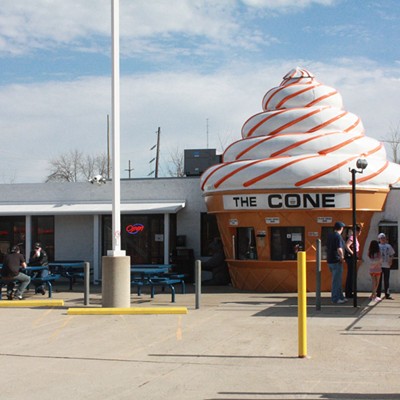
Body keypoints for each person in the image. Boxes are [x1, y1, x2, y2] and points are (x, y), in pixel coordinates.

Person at [326, 221, 347, 304]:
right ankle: (335, 299)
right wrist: (342, 257)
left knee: (337, 280)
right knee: (336, 281)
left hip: (330, 260)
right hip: (336, 260)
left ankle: (341, 297)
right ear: (341, 228)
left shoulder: (330, 235)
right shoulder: (338, 236)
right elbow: (339, 248)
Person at [344, 225, 362, 299]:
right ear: (358, 231)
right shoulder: (352, 238)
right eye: (359, 231)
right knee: (350, 275)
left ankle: (350, 291)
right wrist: (353, 253)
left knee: (352, 275)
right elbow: (347, 246)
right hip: (351, 258)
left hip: (352, 258)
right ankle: (349, 292)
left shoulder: (355, 238)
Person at [376, 233, 395, 300]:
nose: (383, 239)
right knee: (379, 280)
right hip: (380, 266)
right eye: (381, 238)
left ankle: (387, 294)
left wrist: (391, 260)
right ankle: (378, 294)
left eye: (384, 238)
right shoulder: (377, 246)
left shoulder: (388, 246)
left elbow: (392, 254)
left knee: (386, 280)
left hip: (386, 265)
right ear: (379, 239)